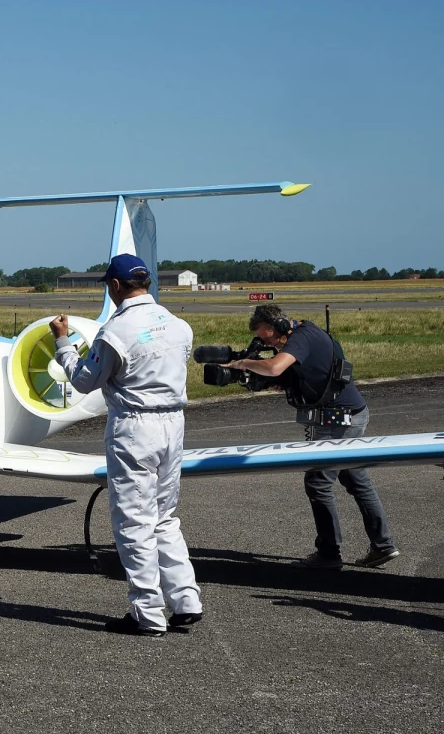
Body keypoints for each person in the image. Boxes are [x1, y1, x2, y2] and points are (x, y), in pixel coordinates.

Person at [51, 253, 202, 637]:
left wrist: (63, 342)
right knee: (165, 516)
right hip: (174, 425)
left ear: (116, 286)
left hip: (135, 427)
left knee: (134, 521)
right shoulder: (178, 325)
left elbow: (85, 380)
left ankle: (147, 613)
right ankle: (186, 600)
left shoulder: (116, 332)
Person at [221, 304, 399, 570]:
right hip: (350, 413)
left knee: (318, 481)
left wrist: (242, 363)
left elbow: (273, 368)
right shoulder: (307, 332)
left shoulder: (301, 337)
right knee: (354, 477)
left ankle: (329, 554)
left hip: (338, 418)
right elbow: (291, 374)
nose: (268, 343)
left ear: (280, 326)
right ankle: (383, 545)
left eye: (268, 337)